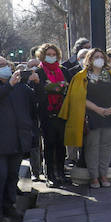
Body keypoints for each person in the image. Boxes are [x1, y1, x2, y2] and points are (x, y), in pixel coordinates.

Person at [0, 55, 36, 222]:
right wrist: (9, 85)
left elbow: (34, 102)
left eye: (6, 64)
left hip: (18, 139)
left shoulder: (20, 87)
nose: (5, 67)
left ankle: (9, 206)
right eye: (0, 65)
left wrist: (36, 83)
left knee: (12, 176)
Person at [61, 48, 111, 187]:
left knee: (106, 147)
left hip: (110, 115)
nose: (99, 59)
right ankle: (94, 177)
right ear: (89, 60)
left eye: (101, 56)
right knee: (92, 147)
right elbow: (79, 97)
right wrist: (98, 109)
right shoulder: (82, 76)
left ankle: (103, 175)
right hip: (91, 116)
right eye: (95, 57)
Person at [35, 43, 72, 186]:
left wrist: (57, 88)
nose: (51, 57)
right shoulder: (38, 72)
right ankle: (50, 175)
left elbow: (68, 90)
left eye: (53, 54)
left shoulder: (64, 71)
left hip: (62, 112)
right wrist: (51, 88)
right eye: (48, 55)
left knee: (61, 145)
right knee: (49, 145)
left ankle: (61, 172)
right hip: (47, 114)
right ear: (42, 56)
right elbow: (37, 93)